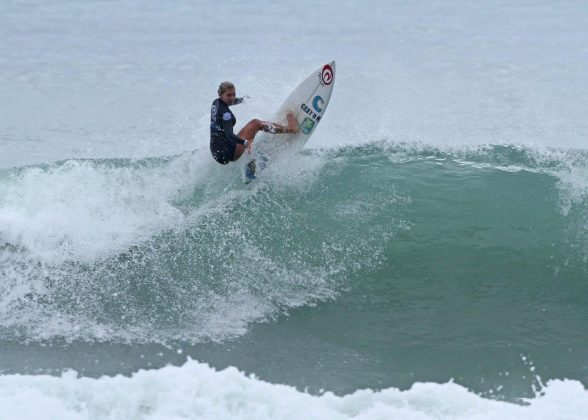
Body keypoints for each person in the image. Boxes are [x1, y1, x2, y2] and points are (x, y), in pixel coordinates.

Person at [209, 81, 298, 165]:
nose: (232, 98)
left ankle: (250, 161)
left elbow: (231, 101)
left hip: (216, 151)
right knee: (256, 123)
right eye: (229, 95)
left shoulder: (216, 103)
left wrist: (243, 100)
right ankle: (290, 129)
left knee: (244, 133)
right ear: (220, 95)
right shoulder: (226, 115)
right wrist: (245, 142)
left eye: (234, 94)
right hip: (228, 153)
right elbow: (229, 135)